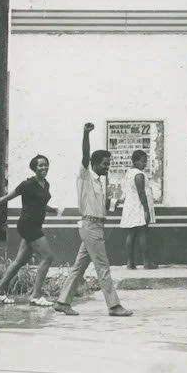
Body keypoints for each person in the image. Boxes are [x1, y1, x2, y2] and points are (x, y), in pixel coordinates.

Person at [54, 123, 133, 316]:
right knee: (103, 268)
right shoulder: (85, 176)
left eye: (109, 163)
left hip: (95, 226)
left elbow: (102, 205)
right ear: (94, 163)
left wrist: (117, 200)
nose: (108, 167)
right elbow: (85, 156)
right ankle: (114, 306)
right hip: (91, 227)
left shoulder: (98, 182)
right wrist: (86, 134)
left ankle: (63, 302)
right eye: (105, 163)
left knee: (79, 267)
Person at [0, 154, 58, 306]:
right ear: (34, 168)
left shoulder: (45, 184)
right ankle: (36, 296)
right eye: (40, 165)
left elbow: (40, 203)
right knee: (48, 257)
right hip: (28, 225)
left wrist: (53, 210)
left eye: (46, 164)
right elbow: (7, 198)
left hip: (35, 225)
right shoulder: (27, 184)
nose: (44, 167)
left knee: (20, 261)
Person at [117, 149, 157, 270]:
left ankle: (130, 263)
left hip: (130, 206)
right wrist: (146, 210)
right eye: (143, 161)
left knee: (131, 234)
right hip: (139, 206)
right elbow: (142, 194)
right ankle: (146, 262)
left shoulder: (129, 173)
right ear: (135, 161)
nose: (145, 164)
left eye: (146, 161)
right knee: (142, 234)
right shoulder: (139, 175)